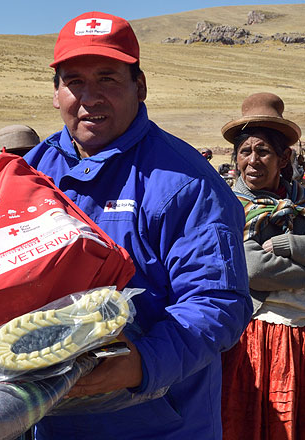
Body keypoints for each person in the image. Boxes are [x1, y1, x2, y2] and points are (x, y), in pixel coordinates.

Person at [22, 12, 252, 439]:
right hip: (46, 421)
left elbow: (218, 302)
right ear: (56, 93)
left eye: (108, 78)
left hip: (157, 424)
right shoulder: (28, 174)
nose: (90, 98)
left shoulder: (185, 184)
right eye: (74, 81)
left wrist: (141, 362)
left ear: (140, 87)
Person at [220, 92, 305, 440]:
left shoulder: (298, 201)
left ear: (284, 158)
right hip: (256, 335)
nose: (252, 161)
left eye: (263, 151)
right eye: (245, 151)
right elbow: (253, 268)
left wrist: (287, 247)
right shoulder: (229, 206)